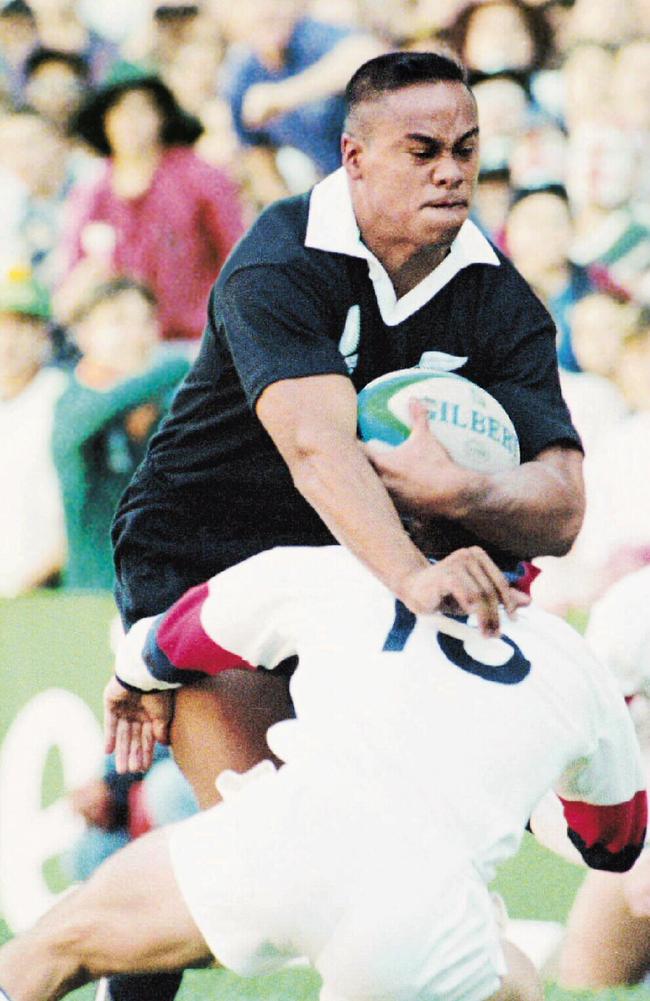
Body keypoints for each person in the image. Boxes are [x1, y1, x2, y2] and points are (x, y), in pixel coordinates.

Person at [111, 49, 584, 768]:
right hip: (211, 555)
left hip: (366, 566)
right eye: (422, 151)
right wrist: (414, 575)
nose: (450, 172)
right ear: (354, 157)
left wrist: (469, 491)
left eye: (464, 150)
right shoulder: (282, 259)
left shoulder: (502, 300)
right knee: (275, 839)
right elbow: (317, 450)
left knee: (401, 837)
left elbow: (563, 509)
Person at [0, 543, 646, 1001]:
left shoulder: (327, 570)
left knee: (48, 951)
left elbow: (169, 641)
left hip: (279, 840)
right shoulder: (572, 659)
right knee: (518, 983)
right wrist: (499, 786)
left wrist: (131, 679)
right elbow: (613, 842)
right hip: (423, 913)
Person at [56, 65, 245, 343]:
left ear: (162, 117)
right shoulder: (90, 192)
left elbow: (237, 256)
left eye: (142, 110)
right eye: (119, 111)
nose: (130, 122)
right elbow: (69, 293)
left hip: (199, 342)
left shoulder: (200, 177)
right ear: (104, 120)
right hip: (121, 348)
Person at [52, 278, 189, 590]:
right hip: (93, 596)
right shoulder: (73, 404)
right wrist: (184, 361)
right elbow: (101, 409)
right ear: (83, 334)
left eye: (146, 321)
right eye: (118, 321)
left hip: (159, 596)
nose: (136, 335)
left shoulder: (166, 406)